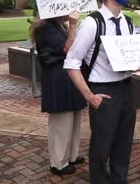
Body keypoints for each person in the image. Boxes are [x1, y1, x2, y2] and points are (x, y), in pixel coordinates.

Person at [64, 0, 137, 184]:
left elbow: (128, 55)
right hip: (103, 90)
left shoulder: (128, 22)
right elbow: (71, 63)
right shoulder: (92, 23)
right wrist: (89, 96)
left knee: (124, 144)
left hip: (126, 88)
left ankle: (119, 180)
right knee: (101, 146)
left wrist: (136, 62)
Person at [30, 10, 86, 176]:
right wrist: (74, 24)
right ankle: (58, 163)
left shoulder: (57, 24)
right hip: (57, 78)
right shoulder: (46, 28)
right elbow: (67, 49)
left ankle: (72, 155)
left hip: (68, 76)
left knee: (74, 118)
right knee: (61, 122)